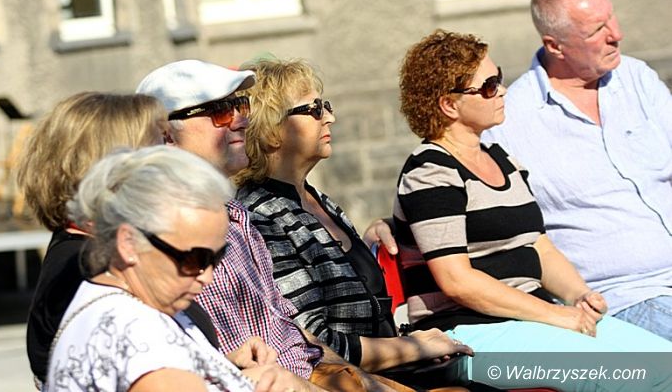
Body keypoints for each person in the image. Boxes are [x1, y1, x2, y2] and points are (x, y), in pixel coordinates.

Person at [393, 29, 672, 391]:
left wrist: (579, 296)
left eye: (499, 78)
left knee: (664, 366)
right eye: (488, 86)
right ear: (449, 105)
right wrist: (556, 314)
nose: (503, 91)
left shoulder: (502, 160)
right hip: (468, 334)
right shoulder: (430, 172)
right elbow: (457, 282)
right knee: (628, 377)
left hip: (531, 318)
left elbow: (539, 245)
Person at [137, 60, 411, 392]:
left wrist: (368, 383)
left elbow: (295, 338)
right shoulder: (173, 232)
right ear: (167, 135)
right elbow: (251, 372)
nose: (241, 120)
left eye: (240, 106)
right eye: (221, 112)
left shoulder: (237, 216)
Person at [233, 57, 473, 387]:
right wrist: (413, 347)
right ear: (271, 130)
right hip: (361, 381)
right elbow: (311, 343)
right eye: (314, 109)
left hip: (399, 370)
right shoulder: (262, 217)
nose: (329, 117)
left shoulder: (317, 200)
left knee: (525, 368)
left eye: (326, 106)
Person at [481, 0, 672, 341]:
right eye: (597, 29)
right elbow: (455, 186)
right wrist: (394, 225)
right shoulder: (511, 120)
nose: (616, 34)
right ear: (555, 46)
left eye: (611, 17)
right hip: (623, 297)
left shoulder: (637, 79)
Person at [47, 146, 261, 391]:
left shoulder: (106, 298)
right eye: (195, 258)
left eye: (217, 257)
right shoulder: (142, 337)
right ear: (128, 243)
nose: (208, 276)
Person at [18, 92, 169, 385]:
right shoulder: (85, 268)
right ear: (107, 169)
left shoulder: (90, 251)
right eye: (157, 150)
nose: (171, 163)